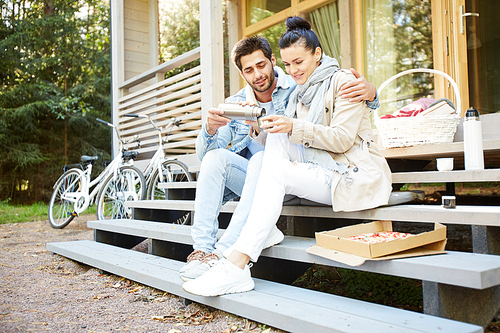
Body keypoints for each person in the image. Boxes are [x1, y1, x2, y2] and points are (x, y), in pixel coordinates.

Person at [180, 35, 380, 282]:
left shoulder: (298, 85)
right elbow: (206, 156)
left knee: (261, 158)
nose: (257, 75)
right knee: (214, 160)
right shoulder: (236, 104)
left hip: (294, 173)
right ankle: (203, 250)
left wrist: (372, 94)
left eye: (262, 65)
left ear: (272, 61)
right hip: (254, 182)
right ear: (242, 74)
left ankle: (226, 252)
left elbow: (334, 102)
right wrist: (209, 130)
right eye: (249, 70)